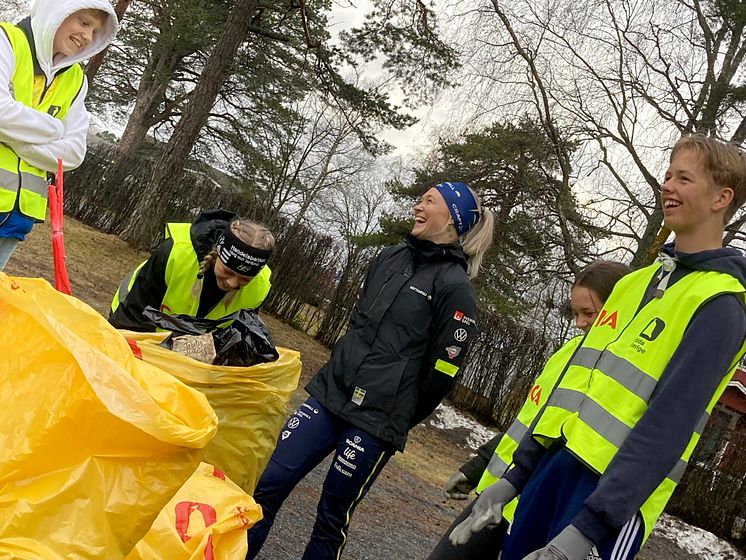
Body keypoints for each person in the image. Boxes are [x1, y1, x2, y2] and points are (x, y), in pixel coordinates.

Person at [454, 134, 746, 560]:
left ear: (722, 198)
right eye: (667, 175)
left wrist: (588, 529)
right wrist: (517, 476)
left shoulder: (721, 304)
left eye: (683, 178)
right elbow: (574, 390)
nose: (667, 186)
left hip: (609, 503)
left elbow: (667, 428)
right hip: (552, 472)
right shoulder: (632, 284)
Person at [245, 181, 495, 560]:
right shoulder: (389, 258)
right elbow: (361, 322)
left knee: (331, 517)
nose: (418, 205)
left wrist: (396, 414)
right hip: (331, 394)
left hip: (376, 422)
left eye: (430, 200)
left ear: (453, 220)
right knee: (267, 486)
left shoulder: (456, 288)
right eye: (420, 198)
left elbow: (443, 372)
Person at [432, 260, 631, 560]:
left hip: (537, 507)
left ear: (620, 308)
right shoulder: (569, 353)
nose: (578, 323)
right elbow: (531, 423)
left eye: (588, 313)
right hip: (501, 494)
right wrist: (479, 466)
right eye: (575, 313)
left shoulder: (620, 370)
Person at [0, 0, 118, 270]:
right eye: (84, 22)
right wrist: (54, 129)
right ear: (57, 11)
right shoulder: (6, 41)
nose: (87, 37)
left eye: (94, 30)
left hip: (15, 219)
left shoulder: (76, 79)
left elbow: (74, 153)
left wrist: (11, 137)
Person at [109, 209, 274, 331]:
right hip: (131, 309)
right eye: (228, 271)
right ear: (217, 253)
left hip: (181, 345)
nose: (232, 283)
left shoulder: (259, 287)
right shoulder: (176, 253)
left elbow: (237, 334)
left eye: (245, 279)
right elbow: (133, 316)